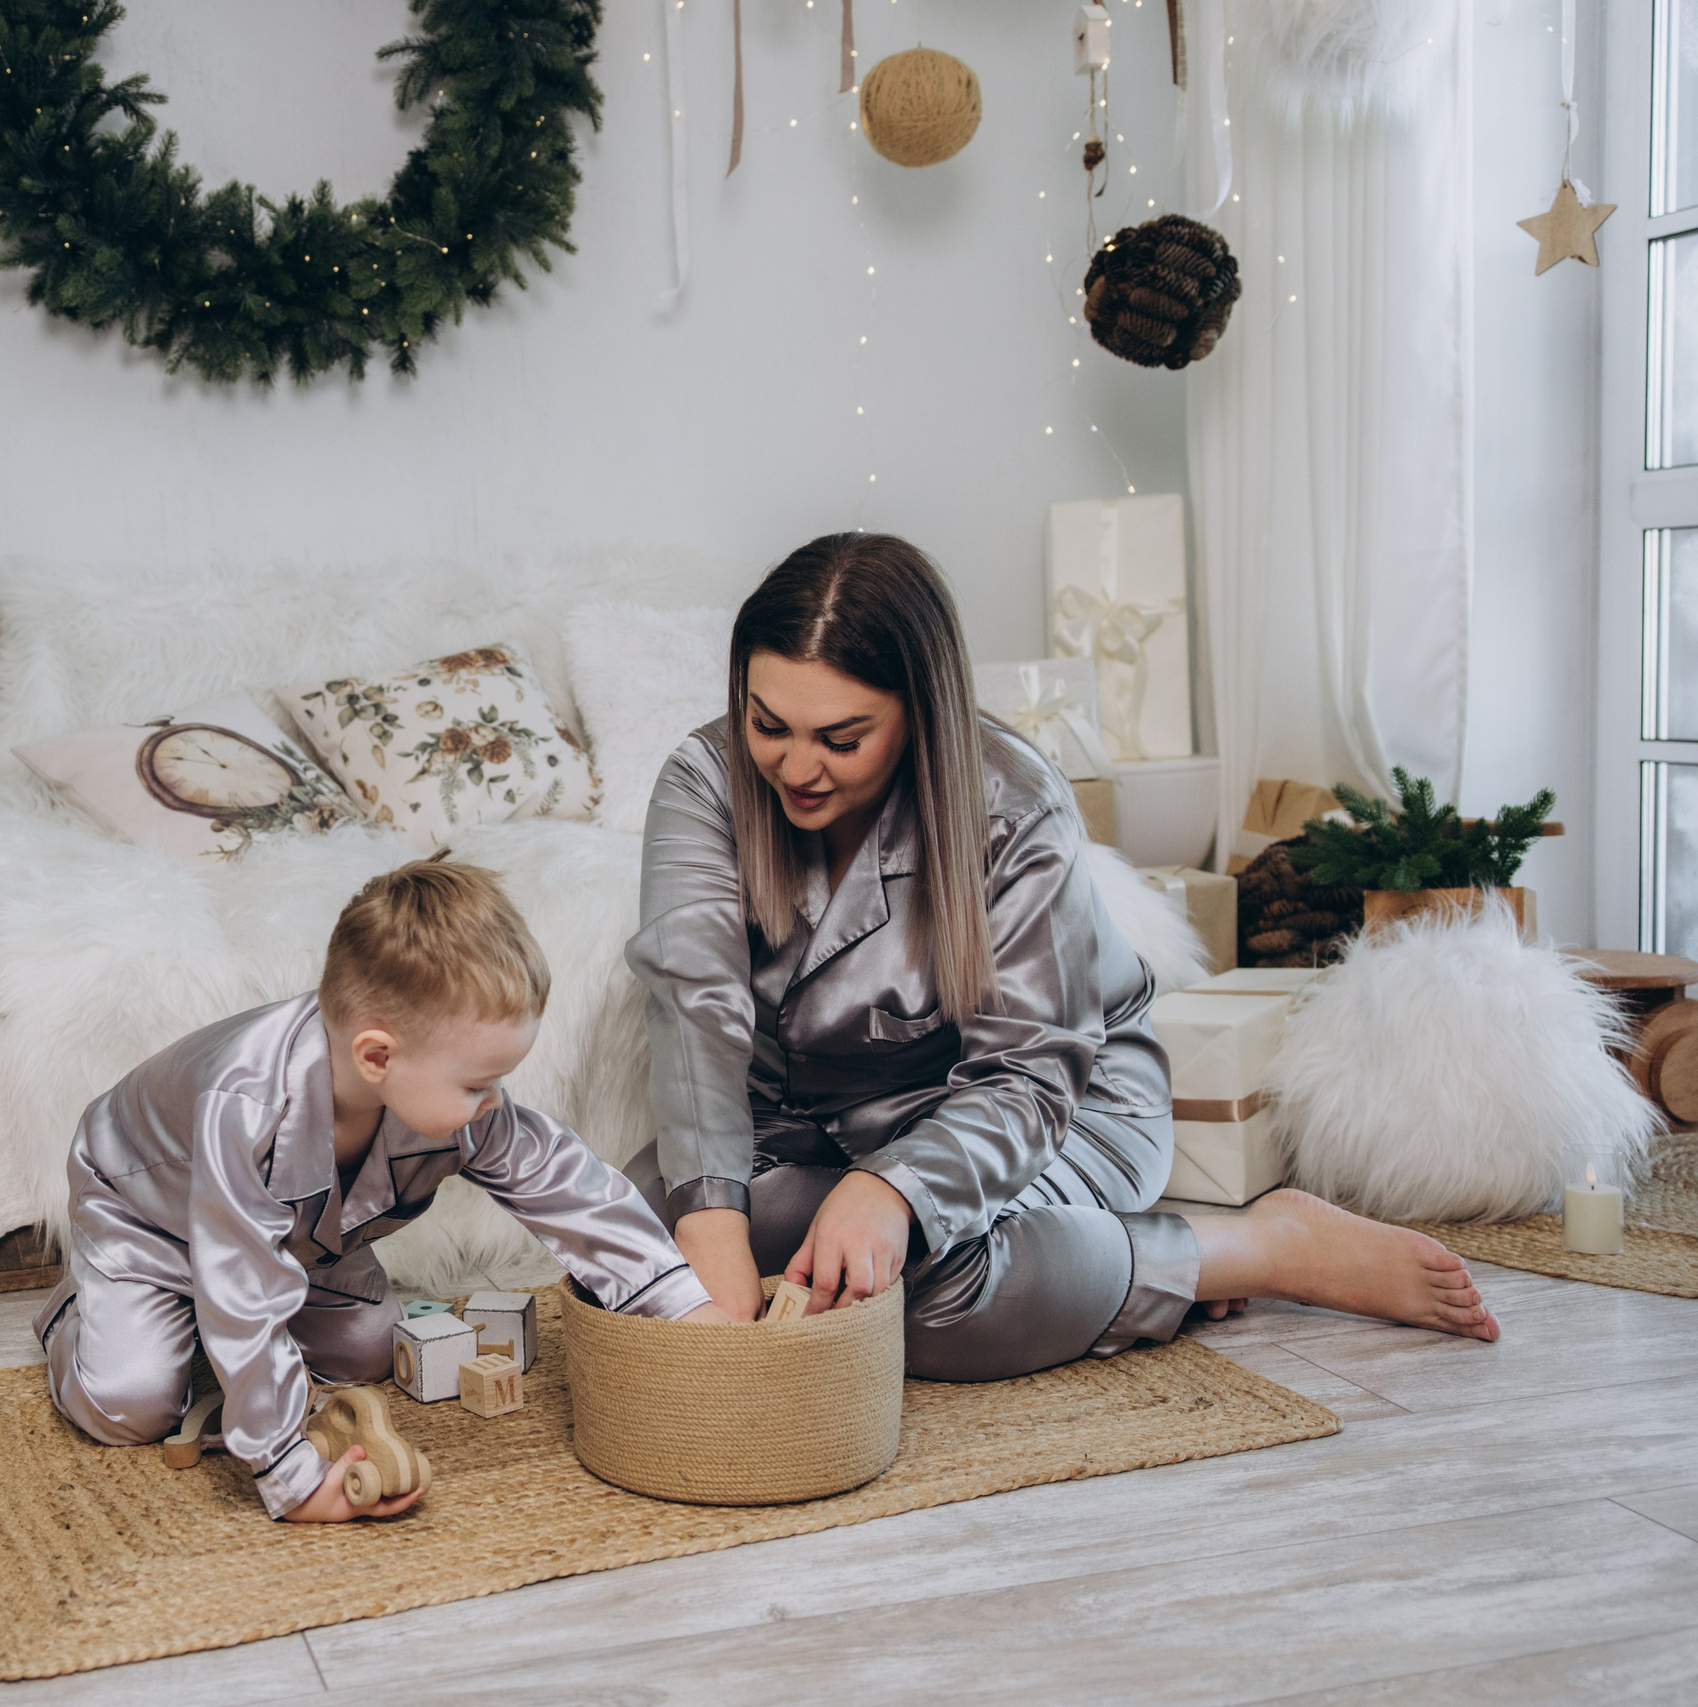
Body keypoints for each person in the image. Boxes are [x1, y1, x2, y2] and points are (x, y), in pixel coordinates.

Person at [627, 531, 1499, 1378]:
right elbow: (695, 1006)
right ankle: (1077, 1266)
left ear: (921, 715)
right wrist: (709, 1227)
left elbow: (1031, 1073)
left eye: (841, 739)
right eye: (767, 723)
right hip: (813, 1125)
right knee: (652, 1214)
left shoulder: (1015, 800)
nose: (796, 767)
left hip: (1057, 1103)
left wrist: (893, 1192)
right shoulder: (704, 780)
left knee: (930, 1302)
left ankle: (1244, 1248)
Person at [38, 856, 734, 1522]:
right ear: (377, 1055)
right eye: (476, 1083)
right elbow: (242, 1281)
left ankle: (214, 1323)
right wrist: (291, 1471)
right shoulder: (246, 1106)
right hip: (147, 1213)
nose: (495, 1100)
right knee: (130, 1404)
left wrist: (678, 1301)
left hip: (294, 1238)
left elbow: (562, 1181)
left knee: (370, 1349)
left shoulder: (450, 1099)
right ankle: (89, 1301)